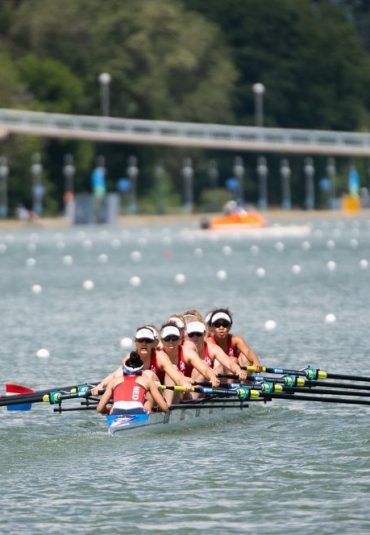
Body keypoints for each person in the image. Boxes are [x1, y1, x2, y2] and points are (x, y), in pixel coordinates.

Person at [92, 325, 191, 397]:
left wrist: (183, 383)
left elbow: (176, 376)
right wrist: (101, 385)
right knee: (120, 373)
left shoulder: (159, 357)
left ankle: (167, 408)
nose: (144, 344)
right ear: (136, 342)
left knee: (149, 374)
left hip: (161, 394)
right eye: (141, 341)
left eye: (148, 341)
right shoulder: (130, 358)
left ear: (153, 343)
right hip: (139, 395)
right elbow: (115, 374)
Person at [158, 321, 221, 403]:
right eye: (167, 338)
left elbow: (204, 368)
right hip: (161, 394)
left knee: (202, 364)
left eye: (174, 338)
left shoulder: (187, 352)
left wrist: (212, 377)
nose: (171, 341)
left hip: (185, 392)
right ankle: (166, 406)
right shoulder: (158, 354)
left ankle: (174, 405)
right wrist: (184, 379)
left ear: (180, 340)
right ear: (162, 341)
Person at [96, 351, 169, 415]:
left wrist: (107, 410)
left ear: (125, 368)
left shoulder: (114, 382)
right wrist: (160, 410)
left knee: (112, 408)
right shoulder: (147, 381)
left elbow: (99, 409)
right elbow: (165, 408)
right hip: (138, 410)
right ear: (141, 369)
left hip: (116, 410)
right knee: (148, 406)